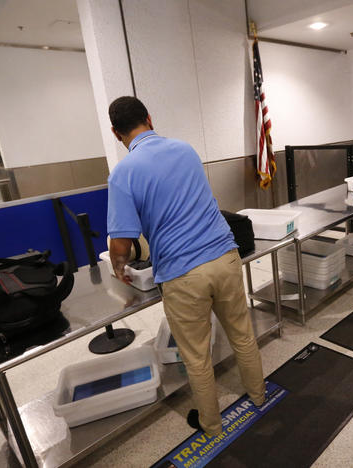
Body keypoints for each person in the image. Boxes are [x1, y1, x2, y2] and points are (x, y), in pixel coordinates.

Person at [106, 96, 266, 436]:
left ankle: (211, 425)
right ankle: (259, 395)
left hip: (183, 272)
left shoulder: (123, 173)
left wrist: (119, 266)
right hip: (224, 255)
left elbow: (121, 242)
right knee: (242, 334)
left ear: (116, 133)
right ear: (149, 118)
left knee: (196, 356)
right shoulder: (185, 150)